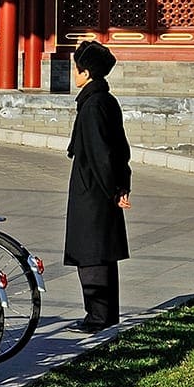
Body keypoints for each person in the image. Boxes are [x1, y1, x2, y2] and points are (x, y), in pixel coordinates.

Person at [64, 39, 132, 332]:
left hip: (92, 190)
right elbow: (120, 149)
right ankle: (106, 314)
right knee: (101, 253)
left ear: (87, 73)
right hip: (100, 187)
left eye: (76, 69)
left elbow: (102, 154)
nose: (74, 75)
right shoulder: (105, 100)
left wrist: (112, 190)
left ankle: (97, 316)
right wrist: (121, 184)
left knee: (90, 253)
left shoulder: (93, 106)